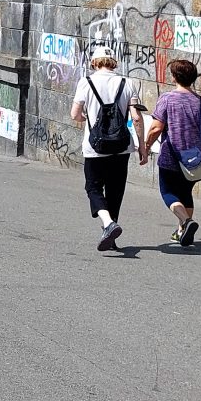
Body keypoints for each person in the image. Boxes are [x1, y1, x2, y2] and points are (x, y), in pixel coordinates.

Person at [142, 58, 201, 246]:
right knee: (186, 193)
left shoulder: (167, 99)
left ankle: (186, 222)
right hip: (196, 159)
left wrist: (145, 146)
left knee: (168, 191)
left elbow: (156, 128)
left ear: (174, 77)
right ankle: (182, 231)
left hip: (172, 156)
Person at [70, 46, 143, 251]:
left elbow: (75, 114)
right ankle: (111, 233)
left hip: (95, 147)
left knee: (93, 187)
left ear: (95, 62)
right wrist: (143, 147)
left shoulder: (86, 82)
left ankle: (109, 224)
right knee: (116, 190)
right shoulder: (127, 83)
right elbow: (136, 117)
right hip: (122, 146)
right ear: (113, 62)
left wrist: (88, 119)